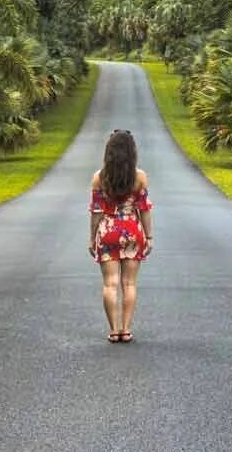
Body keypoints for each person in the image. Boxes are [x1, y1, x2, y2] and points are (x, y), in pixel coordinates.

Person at [90, 129, 153, 343]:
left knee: (110, 284)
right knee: (129, 284)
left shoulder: (100, 177)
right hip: (132, 230)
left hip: (107, 230)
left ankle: (113, 329)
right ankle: (126, 329)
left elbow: (97, 211)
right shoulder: (140, 177)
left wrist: (92, 238)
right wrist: (149, 236)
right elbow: (144, 209)